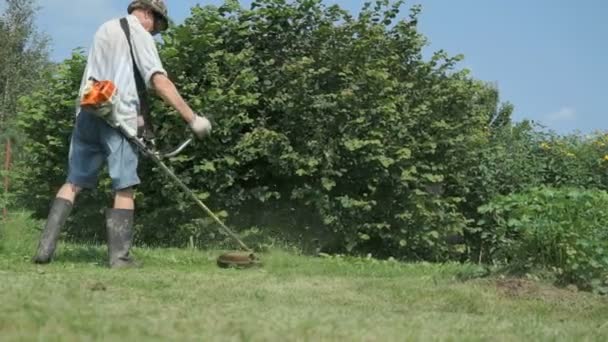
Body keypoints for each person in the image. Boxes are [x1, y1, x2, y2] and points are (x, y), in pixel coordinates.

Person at [33, 0, 211, 268]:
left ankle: (44, 250)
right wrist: (193, 119)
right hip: (118, 119)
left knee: (73, 181)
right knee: (124, 186)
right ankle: (120, 258)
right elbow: (158, 81)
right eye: (157, 27)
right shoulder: (140, 34)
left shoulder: (104, 28)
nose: (154, 33)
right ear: (150, 15)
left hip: (88, 111)